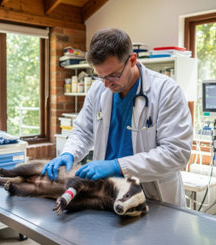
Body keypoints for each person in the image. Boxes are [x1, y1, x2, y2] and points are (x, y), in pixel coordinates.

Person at [42, 28, 193, 207]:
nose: (106, 84)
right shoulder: (98, 89)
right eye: (100, 76)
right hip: (109, 192)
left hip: (154, 197)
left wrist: (118, 166)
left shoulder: (166, 91)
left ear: (132, 60)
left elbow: (176, 153)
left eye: (113, 75)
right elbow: (83, 131)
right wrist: (69, 153)